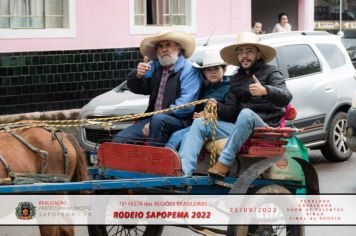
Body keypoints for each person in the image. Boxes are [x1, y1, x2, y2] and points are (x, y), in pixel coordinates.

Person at [179, 32, 292, 177]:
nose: (244, 56)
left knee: (246, 114)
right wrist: (217, 106)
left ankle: (224, 163)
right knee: (201, 123)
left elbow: (286, 96)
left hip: (264, 128)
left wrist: (265, 90)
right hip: (240, 127)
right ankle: (184, 173)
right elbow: (232, 113)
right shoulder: (236, 79)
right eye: (240, 52)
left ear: (258, 54)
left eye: (249, 51)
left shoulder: (271, 72)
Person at [113, 31, 202, 146]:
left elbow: (185, 107)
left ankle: (151, 161)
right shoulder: (155, 65)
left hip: (180, 121)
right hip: (153, 119)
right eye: (160, 46)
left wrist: (155, 121)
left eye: (168, 45)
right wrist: (137, 76)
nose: (164, 49)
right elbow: (140, 89)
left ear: (178, 48)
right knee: (120, 140)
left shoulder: (189, 70)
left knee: (158, 121)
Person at [165, 50, 230, 151]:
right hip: (201, 123)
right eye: (208, 69)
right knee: (176, 135)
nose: (212, 72)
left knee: (184, 136)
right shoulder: (204, 88)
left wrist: (213, 116)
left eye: (216, 68)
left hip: (218, 126)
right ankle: (167, 160)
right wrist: (197, 115)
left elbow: (232, 112)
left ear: (224, 70)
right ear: (204, 72)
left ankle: (177, 163)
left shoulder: (230, 88)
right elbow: (197, 108)